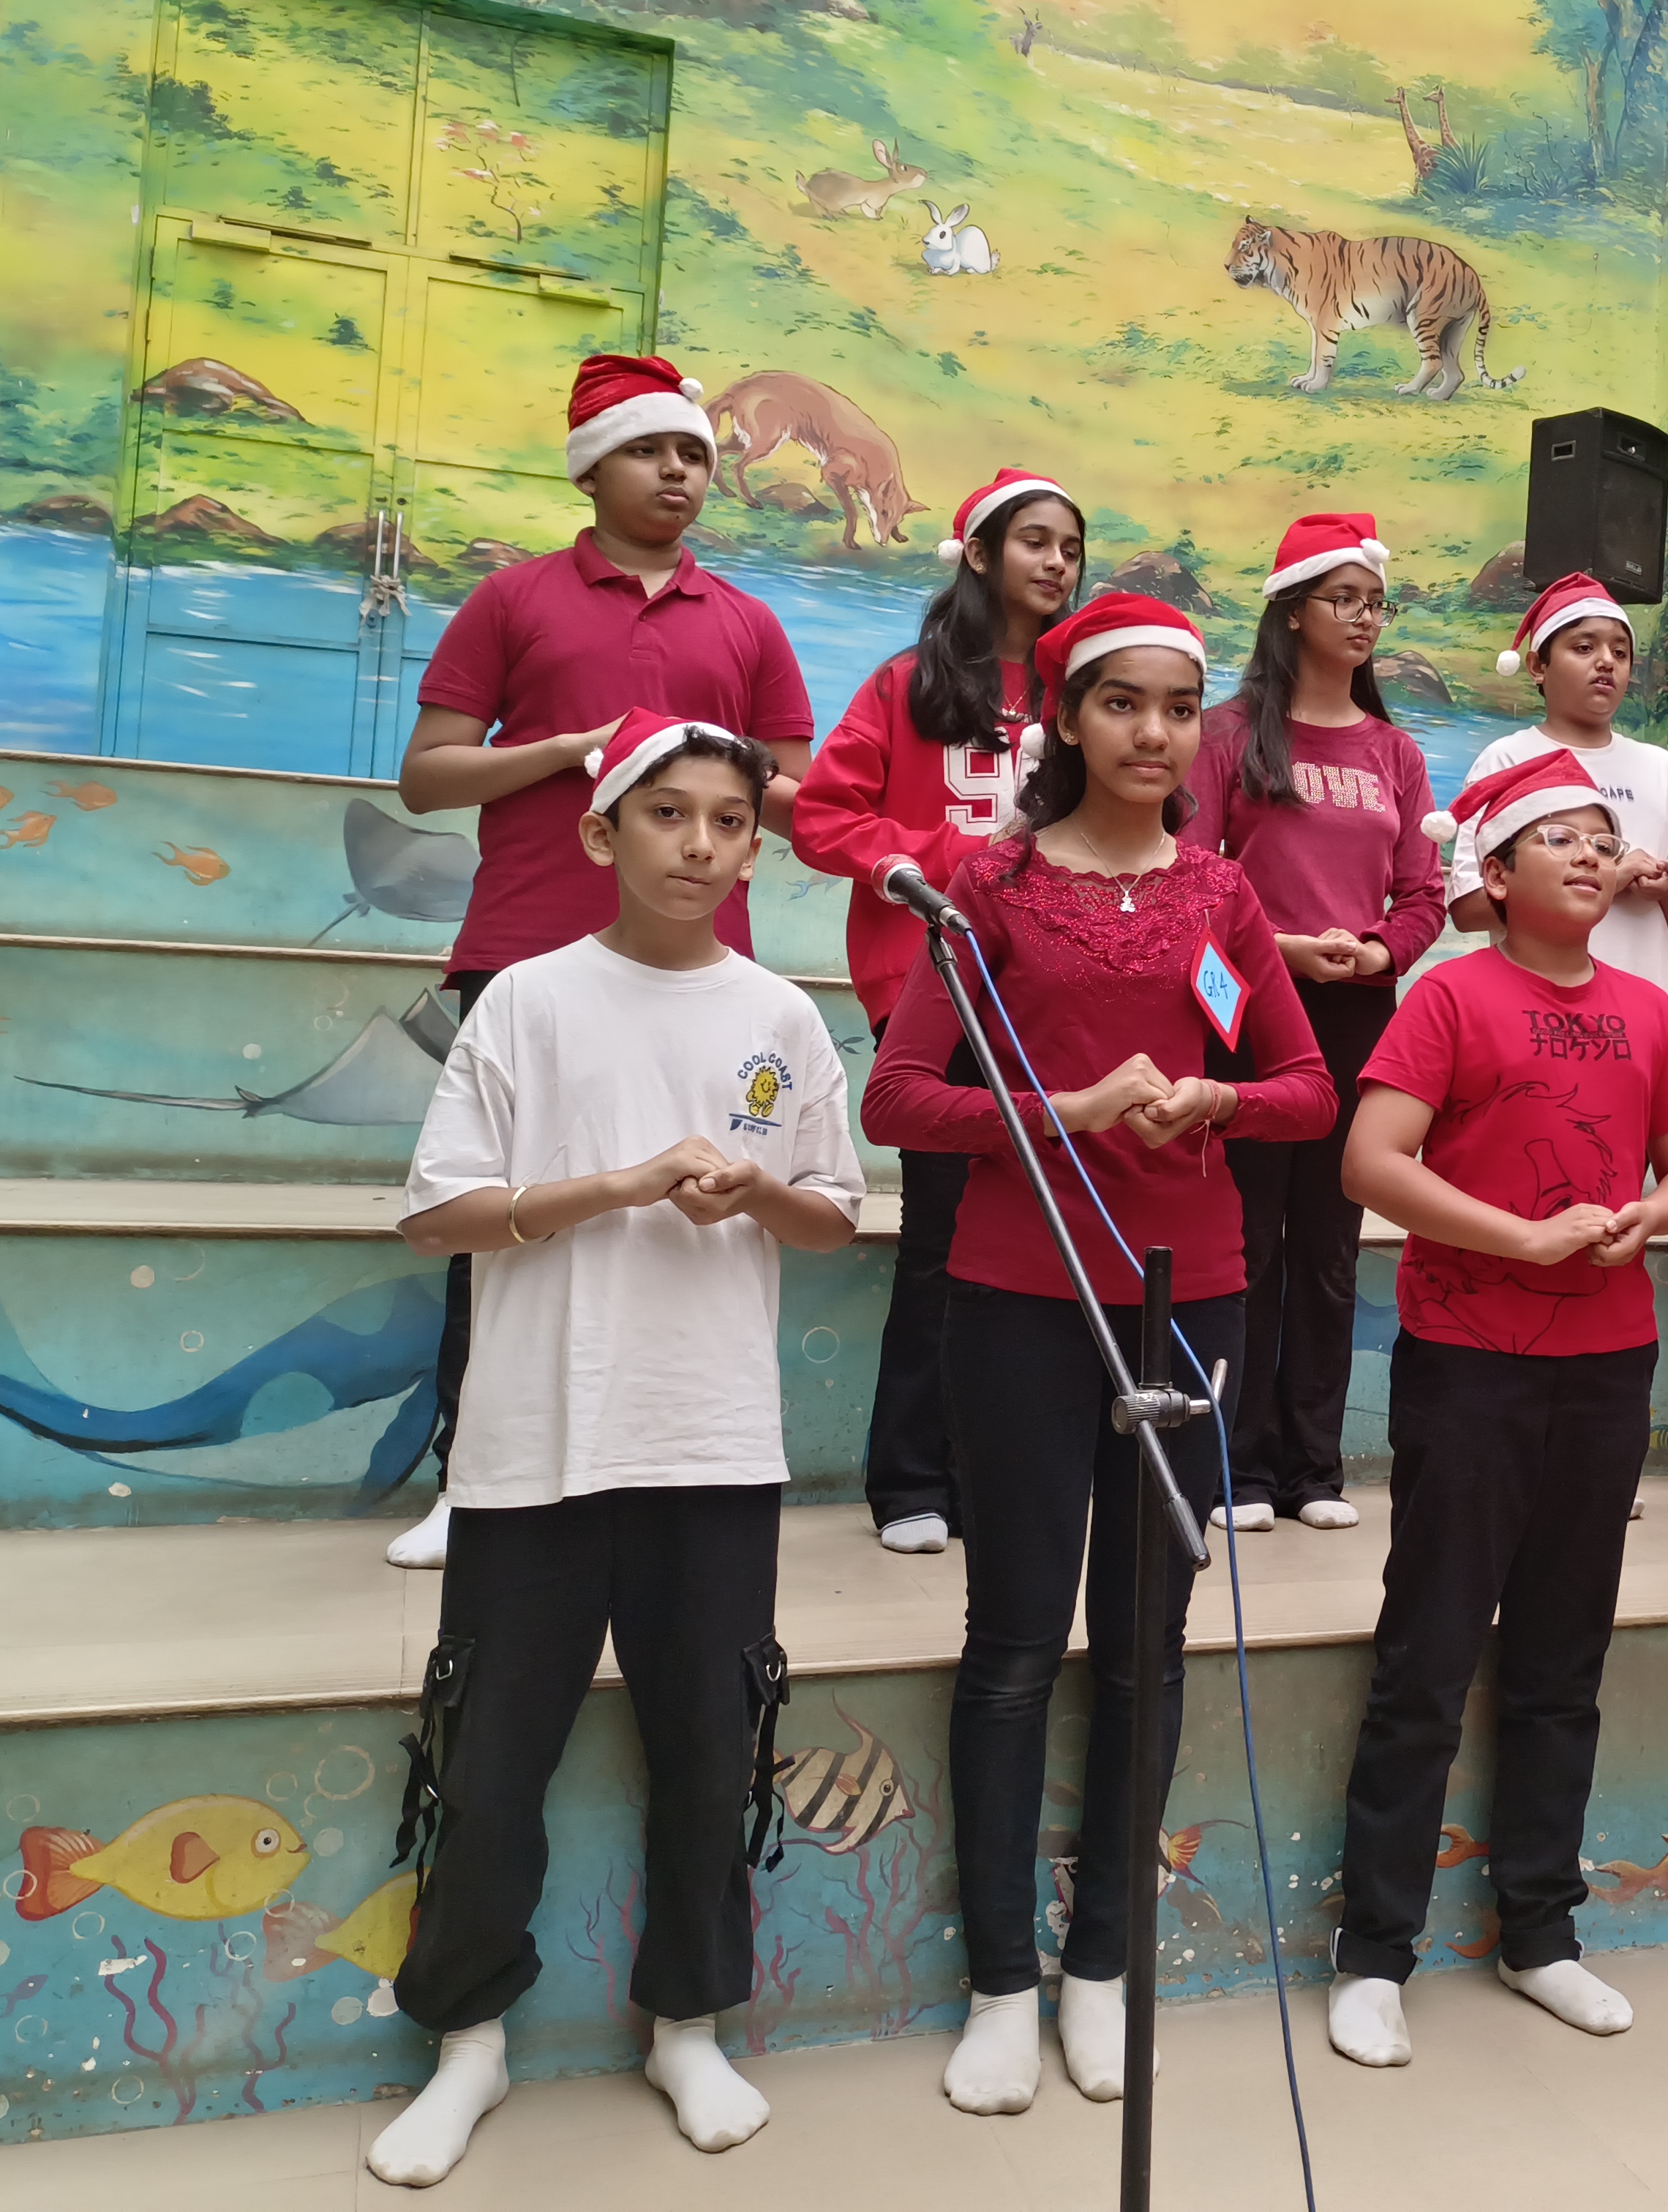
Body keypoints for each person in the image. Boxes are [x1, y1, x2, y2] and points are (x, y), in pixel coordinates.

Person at [372, 713, 865, 2189]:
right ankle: (468, 2038)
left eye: (727, 820)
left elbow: (834, 1214)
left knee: (711, 1752)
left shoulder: (781, 1015)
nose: (698, 843)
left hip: (710, 1445)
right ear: (601, 833)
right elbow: (438, 1214)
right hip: (535, 1444)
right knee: (492, 1755)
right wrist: (623, 1183)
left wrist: (754, 1195)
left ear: (755, 848)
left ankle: (687, 2024)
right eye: (666, 813)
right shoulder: (527, 1002)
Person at [862, 592, 1336, 2116]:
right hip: (1020, 1296)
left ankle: (1104, 1969)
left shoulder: (1222, 895)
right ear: (1064, 717)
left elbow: (1308, 1086)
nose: (1152, 733)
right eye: (1120, 702)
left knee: (1147, 1648)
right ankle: (1001, 1983)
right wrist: (1061, 1113)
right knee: (1014, 1645)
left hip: (1189, 1298)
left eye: (1177, 708)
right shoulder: (989, 888)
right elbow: (898, 1097)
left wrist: (1217, 1103)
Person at [383, 353, 816, 1572]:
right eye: (648, 451)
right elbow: (426, 777)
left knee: (693, 1214)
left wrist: (721, 777)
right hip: (528, 949)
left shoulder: (747, 622)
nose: (677, 472)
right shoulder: (512, 599)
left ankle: (669, 1463)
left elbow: (797, 800)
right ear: (590, 468)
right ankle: (473, 1476)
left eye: (694, 455)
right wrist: (577, 750)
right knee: (509, 1218)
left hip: (698, 975)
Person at [1324, 750, 1668, 2066]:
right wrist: (1518, 1237)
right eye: (1560, 837)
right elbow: (1369, 1160)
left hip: (1607, 1361)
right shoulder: (1449, 995)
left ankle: (1540, 1933)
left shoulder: (1647, 1011)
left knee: (1563, 1659)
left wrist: (1645, 1219)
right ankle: (1374, 1950)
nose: (1591, 854)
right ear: (1492, 875)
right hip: (1470, 1360)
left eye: (1603, 837)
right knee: (1430, 1654)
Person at [796, 467, 1086, 1556]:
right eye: (1036, 542)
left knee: (1042, 1244)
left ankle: (1001, 1474)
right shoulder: (906, 684)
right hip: (936, 993)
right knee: (943, 1237)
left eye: (1072, 548)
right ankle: (912, 1477)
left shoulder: (1085, 691)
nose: (1057, 563)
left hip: (1060, 995)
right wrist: (953, 859)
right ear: (978, 553)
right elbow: (825, 818)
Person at [1183, 514, 1446, 1534]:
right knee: (1247, 1240)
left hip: (1358, 1010)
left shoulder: (1395, 750)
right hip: (1253, 1006)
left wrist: (1381, 953)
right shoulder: (1226, 735)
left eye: (1377, 602)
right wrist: (1281, 950)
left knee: (1331, 1246)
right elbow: (1194, 881)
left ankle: (1314, 1469)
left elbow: (1422, 893)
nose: (1365, 618)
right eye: (1345, 600)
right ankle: (1238, 1468)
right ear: (1292, 612)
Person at [1444, 569, 1668, 1002]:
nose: (1606, 661)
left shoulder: (1662, 768)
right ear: (1537, 666)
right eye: (1584, 647)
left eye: (1620, 652)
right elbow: (1468, 909)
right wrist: (1612, 876)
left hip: (1643, 1015)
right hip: (1532, 1014)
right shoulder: (1508, 759)